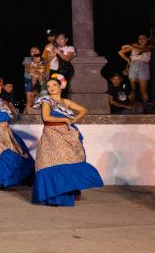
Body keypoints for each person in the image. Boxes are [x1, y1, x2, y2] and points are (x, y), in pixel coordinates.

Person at [31, 74, 104, 206]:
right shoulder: (46, 101)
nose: (51, 88)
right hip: (52, 134)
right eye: (48, 86)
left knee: (70, 160)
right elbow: (46, 118)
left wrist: (74, 120)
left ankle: (70, 190)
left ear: (60, 87)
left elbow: (83, 110)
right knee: (51, 162)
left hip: (67, 134)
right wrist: (65, 119)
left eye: (54, 85)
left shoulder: (66, 102)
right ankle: (52, 195)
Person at [119, 34, 153, 108]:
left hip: (143, 66)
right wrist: (128, 60)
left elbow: (141, 50)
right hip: (133, 66)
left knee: (143, 90)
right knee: (133, 89)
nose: (141, 40)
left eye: (144, 38)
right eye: (140, 39)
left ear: (147, 39)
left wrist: (129, 45)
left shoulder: (150, 46)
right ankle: (134, 107)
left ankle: (145, 109)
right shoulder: (134, 46)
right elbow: (121, 52)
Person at [23, 46, 45, 112]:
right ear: (30, 53)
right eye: (32, 51)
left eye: (36, 50)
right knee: (29, 98)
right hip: (28, 79)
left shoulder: (43, 60)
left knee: (42, 97)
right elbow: (28, 70)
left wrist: (37, 73)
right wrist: (37, 74)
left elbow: (44, 71)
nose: (34, 52)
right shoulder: (27, 59)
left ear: (40, 52)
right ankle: (24, 117)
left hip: (40, 81)